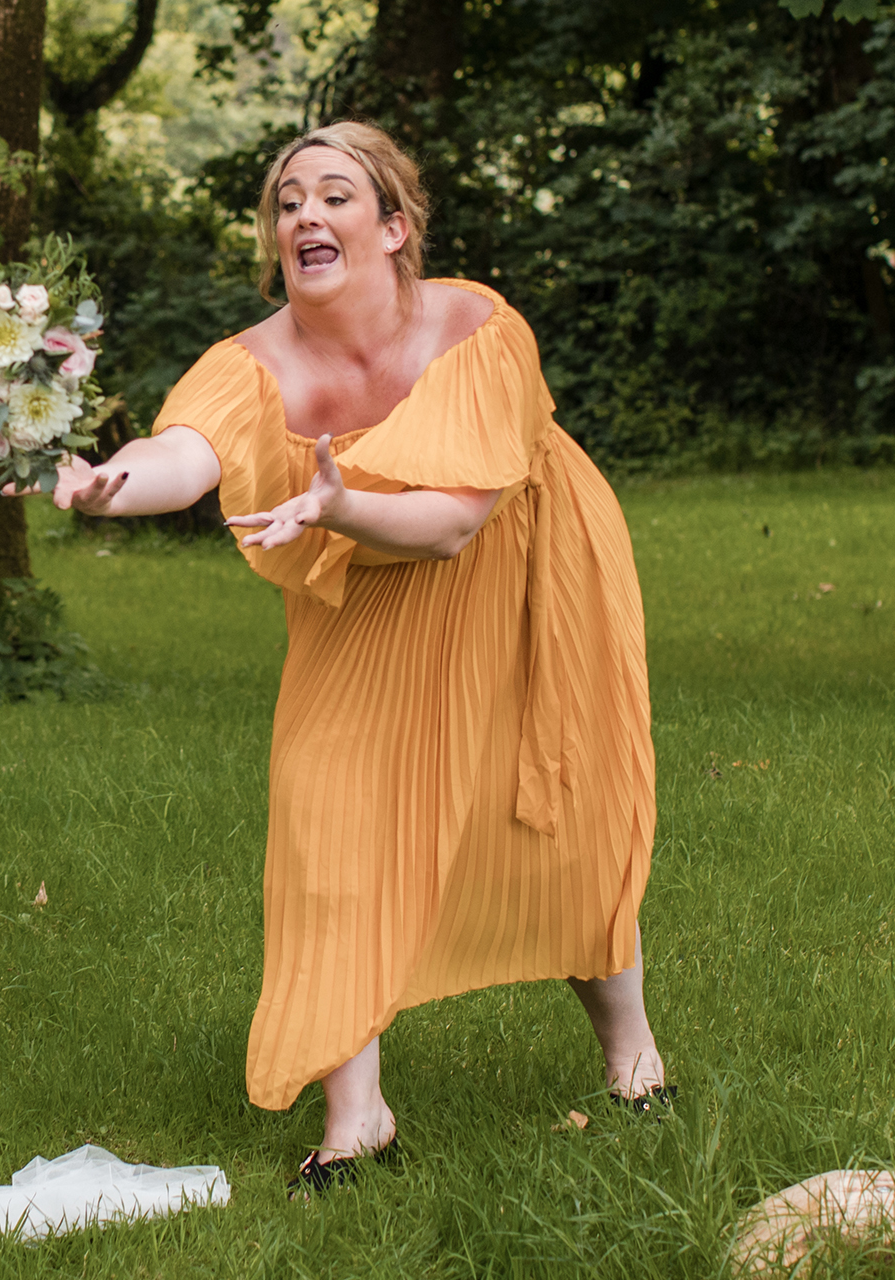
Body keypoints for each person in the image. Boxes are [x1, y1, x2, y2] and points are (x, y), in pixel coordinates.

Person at [40, 121, 666, 1197]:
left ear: (394, 227)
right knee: (327, 819)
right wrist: (108, 485)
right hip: (366, 599)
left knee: (557, 815)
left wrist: (341, 506)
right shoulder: (251, 363)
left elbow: (455, 523)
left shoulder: (482, 329)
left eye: (334, 196)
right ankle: (358, 1119)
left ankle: (635, 1063)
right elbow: (183, 452)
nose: (305, 216)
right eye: (288, 202)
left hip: (520, 570)